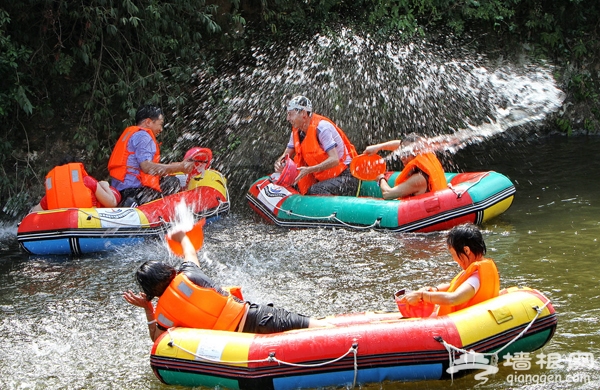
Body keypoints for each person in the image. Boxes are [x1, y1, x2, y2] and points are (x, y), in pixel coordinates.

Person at [123, 229, 330, 342]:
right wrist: (182, 236)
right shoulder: (188, 274)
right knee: (308, 325)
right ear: (167, 270)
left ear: (150, 292)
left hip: (229, 344)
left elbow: (157, 340)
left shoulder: (163, 313)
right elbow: (190, 253)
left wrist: (148, 309)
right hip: (254, 319)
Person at [398, 223, 500, 316]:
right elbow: (454, 286)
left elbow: (454, 298)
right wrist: (433, 290)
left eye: (453, 254)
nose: (454, 259)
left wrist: (423, 295)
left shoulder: (475, 279)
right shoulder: (479, 271)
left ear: (466, 250)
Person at [108, 104, 195, 206]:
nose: (161, 129)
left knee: (168, 179)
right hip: (135, 192)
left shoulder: (132, 134)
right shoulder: (144, 136)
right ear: (148, 122)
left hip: (120, 192)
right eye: (160, 124)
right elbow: (147, 167)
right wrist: (180, 167)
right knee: (172, 182)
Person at [273, 96, 359, 196]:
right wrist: (279, 163)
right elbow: (285, 155)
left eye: (290, 114)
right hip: (326, 178)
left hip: (346, 176)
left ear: (303, 114)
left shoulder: (322, 128)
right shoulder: (296, 132)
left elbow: (334, 159)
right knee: (294, 184)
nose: (288, 118)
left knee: (316, 190)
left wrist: (309, 170)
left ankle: (335, 210)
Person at [364, 133, 447, 200]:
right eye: (401, 152)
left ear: (416, 152)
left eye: (406, 154)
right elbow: (402, 145)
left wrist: (381, 178)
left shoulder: (419, 179)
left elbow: (388, 194)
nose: (402, 157)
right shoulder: (425, 153)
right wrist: (378, 147)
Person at [30, 156, 121, 212]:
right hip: (89, 223)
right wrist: (105, 186)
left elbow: (34, 211)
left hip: (62, 227)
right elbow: (111, 203)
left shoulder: (54, 192)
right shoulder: (87, 181)